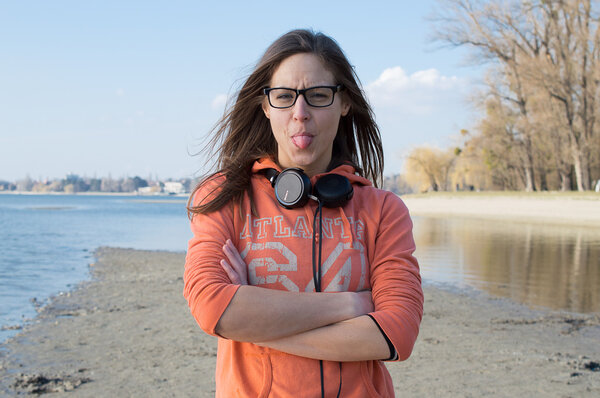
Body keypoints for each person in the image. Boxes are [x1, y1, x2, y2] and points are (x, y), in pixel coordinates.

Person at [183, 29, 423, 397]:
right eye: (283, 97)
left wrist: (255, 323)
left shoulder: (384, 211)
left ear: (344, 103)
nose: (300, 114)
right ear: (265, 106)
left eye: (318, 96)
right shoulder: (223, 199)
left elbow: (396, 333)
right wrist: (351, 303)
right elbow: (213, 307)